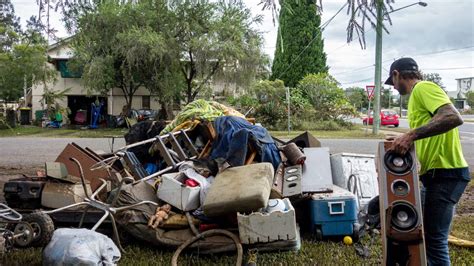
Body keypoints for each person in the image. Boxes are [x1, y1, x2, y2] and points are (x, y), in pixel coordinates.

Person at [385, 57, 470, 266]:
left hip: (446, 174)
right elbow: (430, 131)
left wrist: (411, 135)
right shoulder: (417, 97)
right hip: (434, 176)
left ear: (397, 74)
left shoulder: (423, 88)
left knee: (435, 241)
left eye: (392, 82)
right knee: (416, 230)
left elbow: (452, 116)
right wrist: (405, 138)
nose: (394, 88)